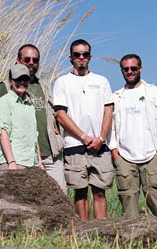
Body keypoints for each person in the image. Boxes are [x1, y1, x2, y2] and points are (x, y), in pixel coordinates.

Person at [53, 39, 114, 221]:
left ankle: (102, 231)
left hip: (99, 146)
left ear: (90, 57)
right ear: (70, 57)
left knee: (100, 192)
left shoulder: (101, 81)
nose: (81, 58)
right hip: (74, 145)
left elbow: (108, 111)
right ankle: (84, 232)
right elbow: (61, 115)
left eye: (85, 54)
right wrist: (83, 137)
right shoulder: (62, 82)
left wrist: (101, 138)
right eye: (77, 55)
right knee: (80, 194)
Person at [108, 54, 157, 218]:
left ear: (140, 69)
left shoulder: (156, 93)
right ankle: (131, 240)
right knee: (128, 209)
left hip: (152, 156)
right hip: (124, 158)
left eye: (133, 68)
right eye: (126, 69)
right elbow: (111, 130)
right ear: (122, 71)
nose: (130, 72)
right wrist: (115, 154)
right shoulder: (115, 97)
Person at [11, 44, 66, 190]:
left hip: (51, 154)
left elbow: (53, 116)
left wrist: (58, 139)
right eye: (27, 59)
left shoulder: (44, 85)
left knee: (61, 199)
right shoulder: (8, 86)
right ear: (18, 60)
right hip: (26, 156)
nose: (31, 63)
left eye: (35, 60)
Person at [0, 64, 42, 169]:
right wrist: (11, 162)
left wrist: (39, 162)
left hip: (31, 163)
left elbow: (34, 135)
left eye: (25, 79)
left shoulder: (29, 105)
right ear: (11, 81)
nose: (22, 82)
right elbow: (3, 132)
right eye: (18, 79)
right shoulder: (4, 102)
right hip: (13, 162)